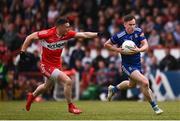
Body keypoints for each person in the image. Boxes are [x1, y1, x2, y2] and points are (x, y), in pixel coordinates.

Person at [20, 18, 102, 114]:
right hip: (46, 65)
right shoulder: (47, 33)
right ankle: (70, 106)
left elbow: (83, 34)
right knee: (68, 81)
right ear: (60, 27)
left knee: (46, 87)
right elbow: (29, 37)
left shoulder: (67, 34)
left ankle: (32, 96)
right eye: (67, 27)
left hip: (57, 65)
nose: (69, 29)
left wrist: (97, 34)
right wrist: (22, 51)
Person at [104, 14, 163, 115]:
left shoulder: (138, 31)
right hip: (127, 65)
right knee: (145, 82)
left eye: (134, 24)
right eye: (130, 24)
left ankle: (113, 89)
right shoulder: (119, 36)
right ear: (125, 25)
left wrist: (139, 49)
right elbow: (106, 44)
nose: (133, 27)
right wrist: (118, 49)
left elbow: (146, 45)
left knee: (132, 85)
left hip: (137, 64)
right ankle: (155, 107)